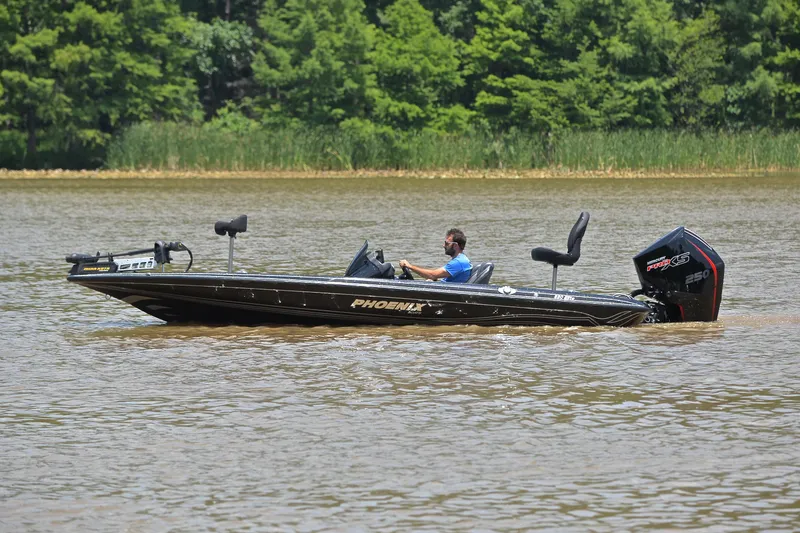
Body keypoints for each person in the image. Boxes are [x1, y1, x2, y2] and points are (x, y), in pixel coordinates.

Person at [399, 228, 472, 282]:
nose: (443, 245)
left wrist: (409, 266)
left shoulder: (459, 262)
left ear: (455, 245)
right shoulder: (460, 260)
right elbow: (435, 276)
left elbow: (432, 274)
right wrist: (433, 279)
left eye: (447, 243)